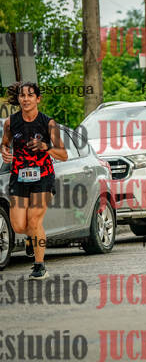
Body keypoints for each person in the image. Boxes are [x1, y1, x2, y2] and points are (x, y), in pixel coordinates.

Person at [1, 82, 67, 279]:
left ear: (38, 99)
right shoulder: (10, 123)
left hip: (43, 177)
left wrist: (46, 147)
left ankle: (39, 266)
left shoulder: (48, 123)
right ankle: (31, 237)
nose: (26, 99)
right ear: (18, 99)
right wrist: (5, 152)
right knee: (18, 226)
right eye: (22, 96)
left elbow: (63, 155)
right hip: (19, 177)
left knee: (34, 220)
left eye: (30, 95)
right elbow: (5, 144)